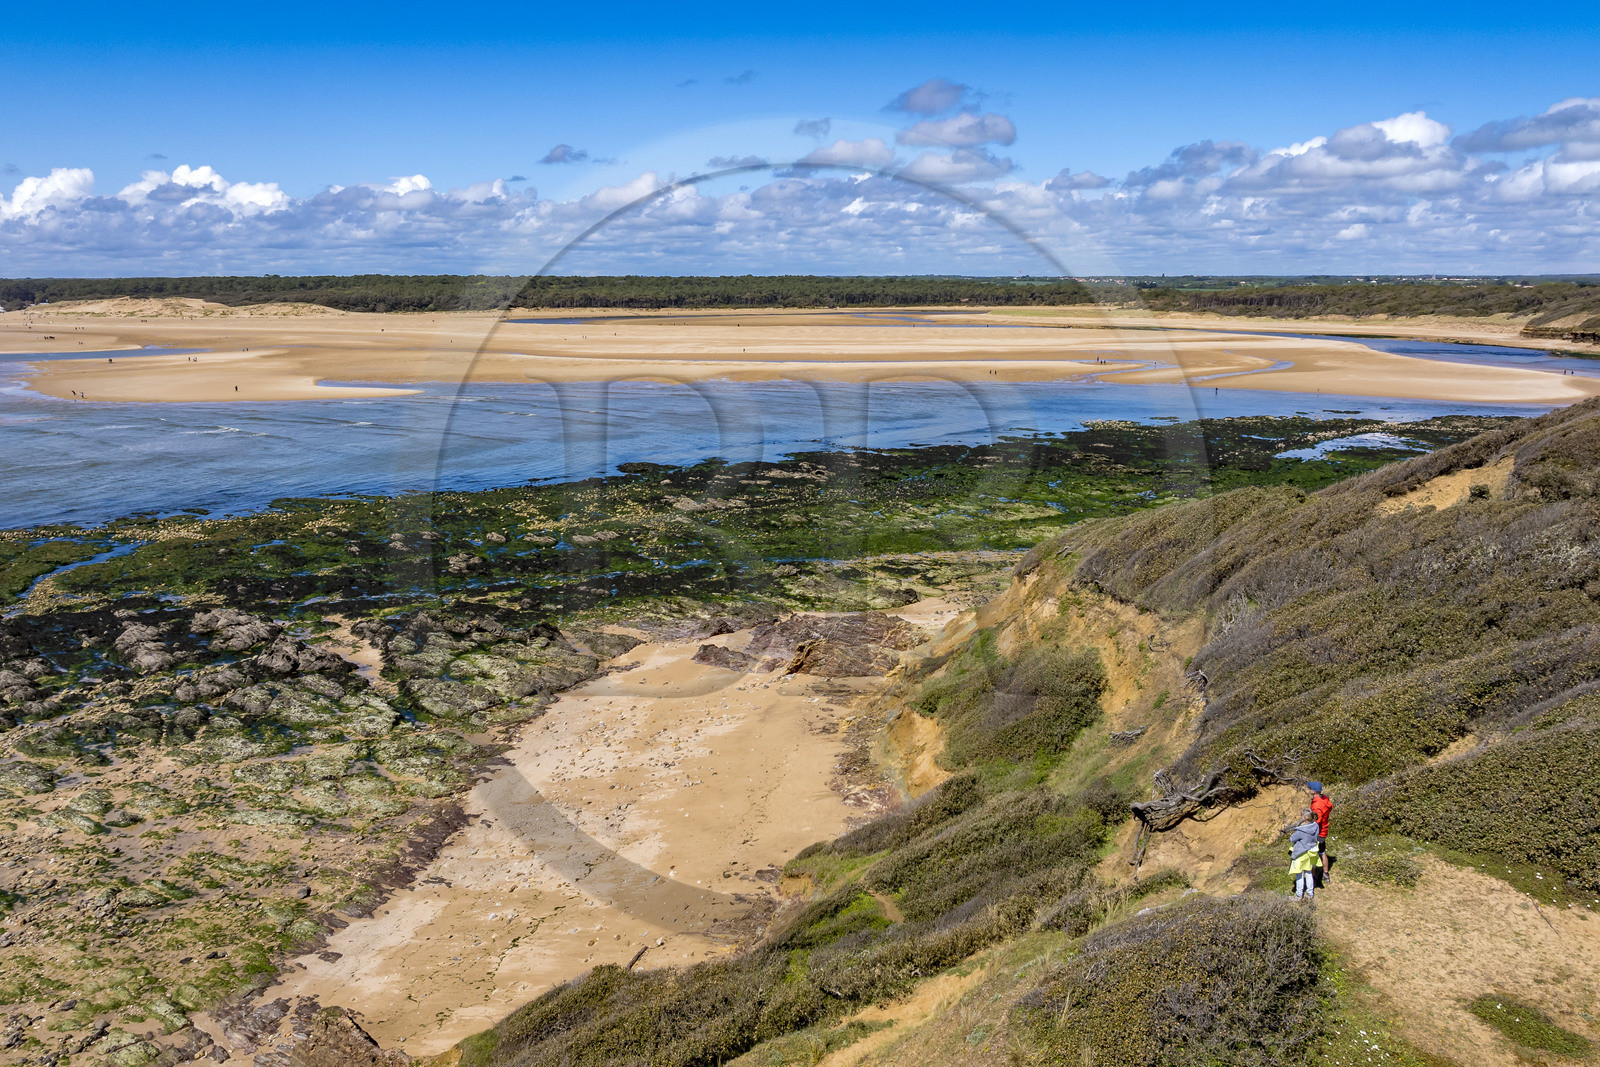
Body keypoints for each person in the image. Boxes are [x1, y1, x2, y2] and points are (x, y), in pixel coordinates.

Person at [1288, 808, 1320, 901]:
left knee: (1299, 874)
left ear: (1304, 818)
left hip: (1300, 854)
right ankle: (1310, 893)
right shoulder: (1315, 826)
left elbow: (1292, 839)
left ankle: (1299, 895)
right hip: (1311, 853)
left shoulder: (1301, 830)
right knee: (1309, 873)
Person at [1308, 781, 1332, 882]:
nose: (1308, 789)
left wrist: (1310, 828)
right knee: (1322, 852)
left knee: (1313, 853)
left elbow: (1317, 819)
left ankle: (1313, 876)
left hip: (1318, 832)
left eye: (1310, 788)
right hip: (1324, 830)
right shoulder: (1324, 798)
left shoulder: (1317, 804)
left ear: (1313, 791)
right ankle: (1325, 874)